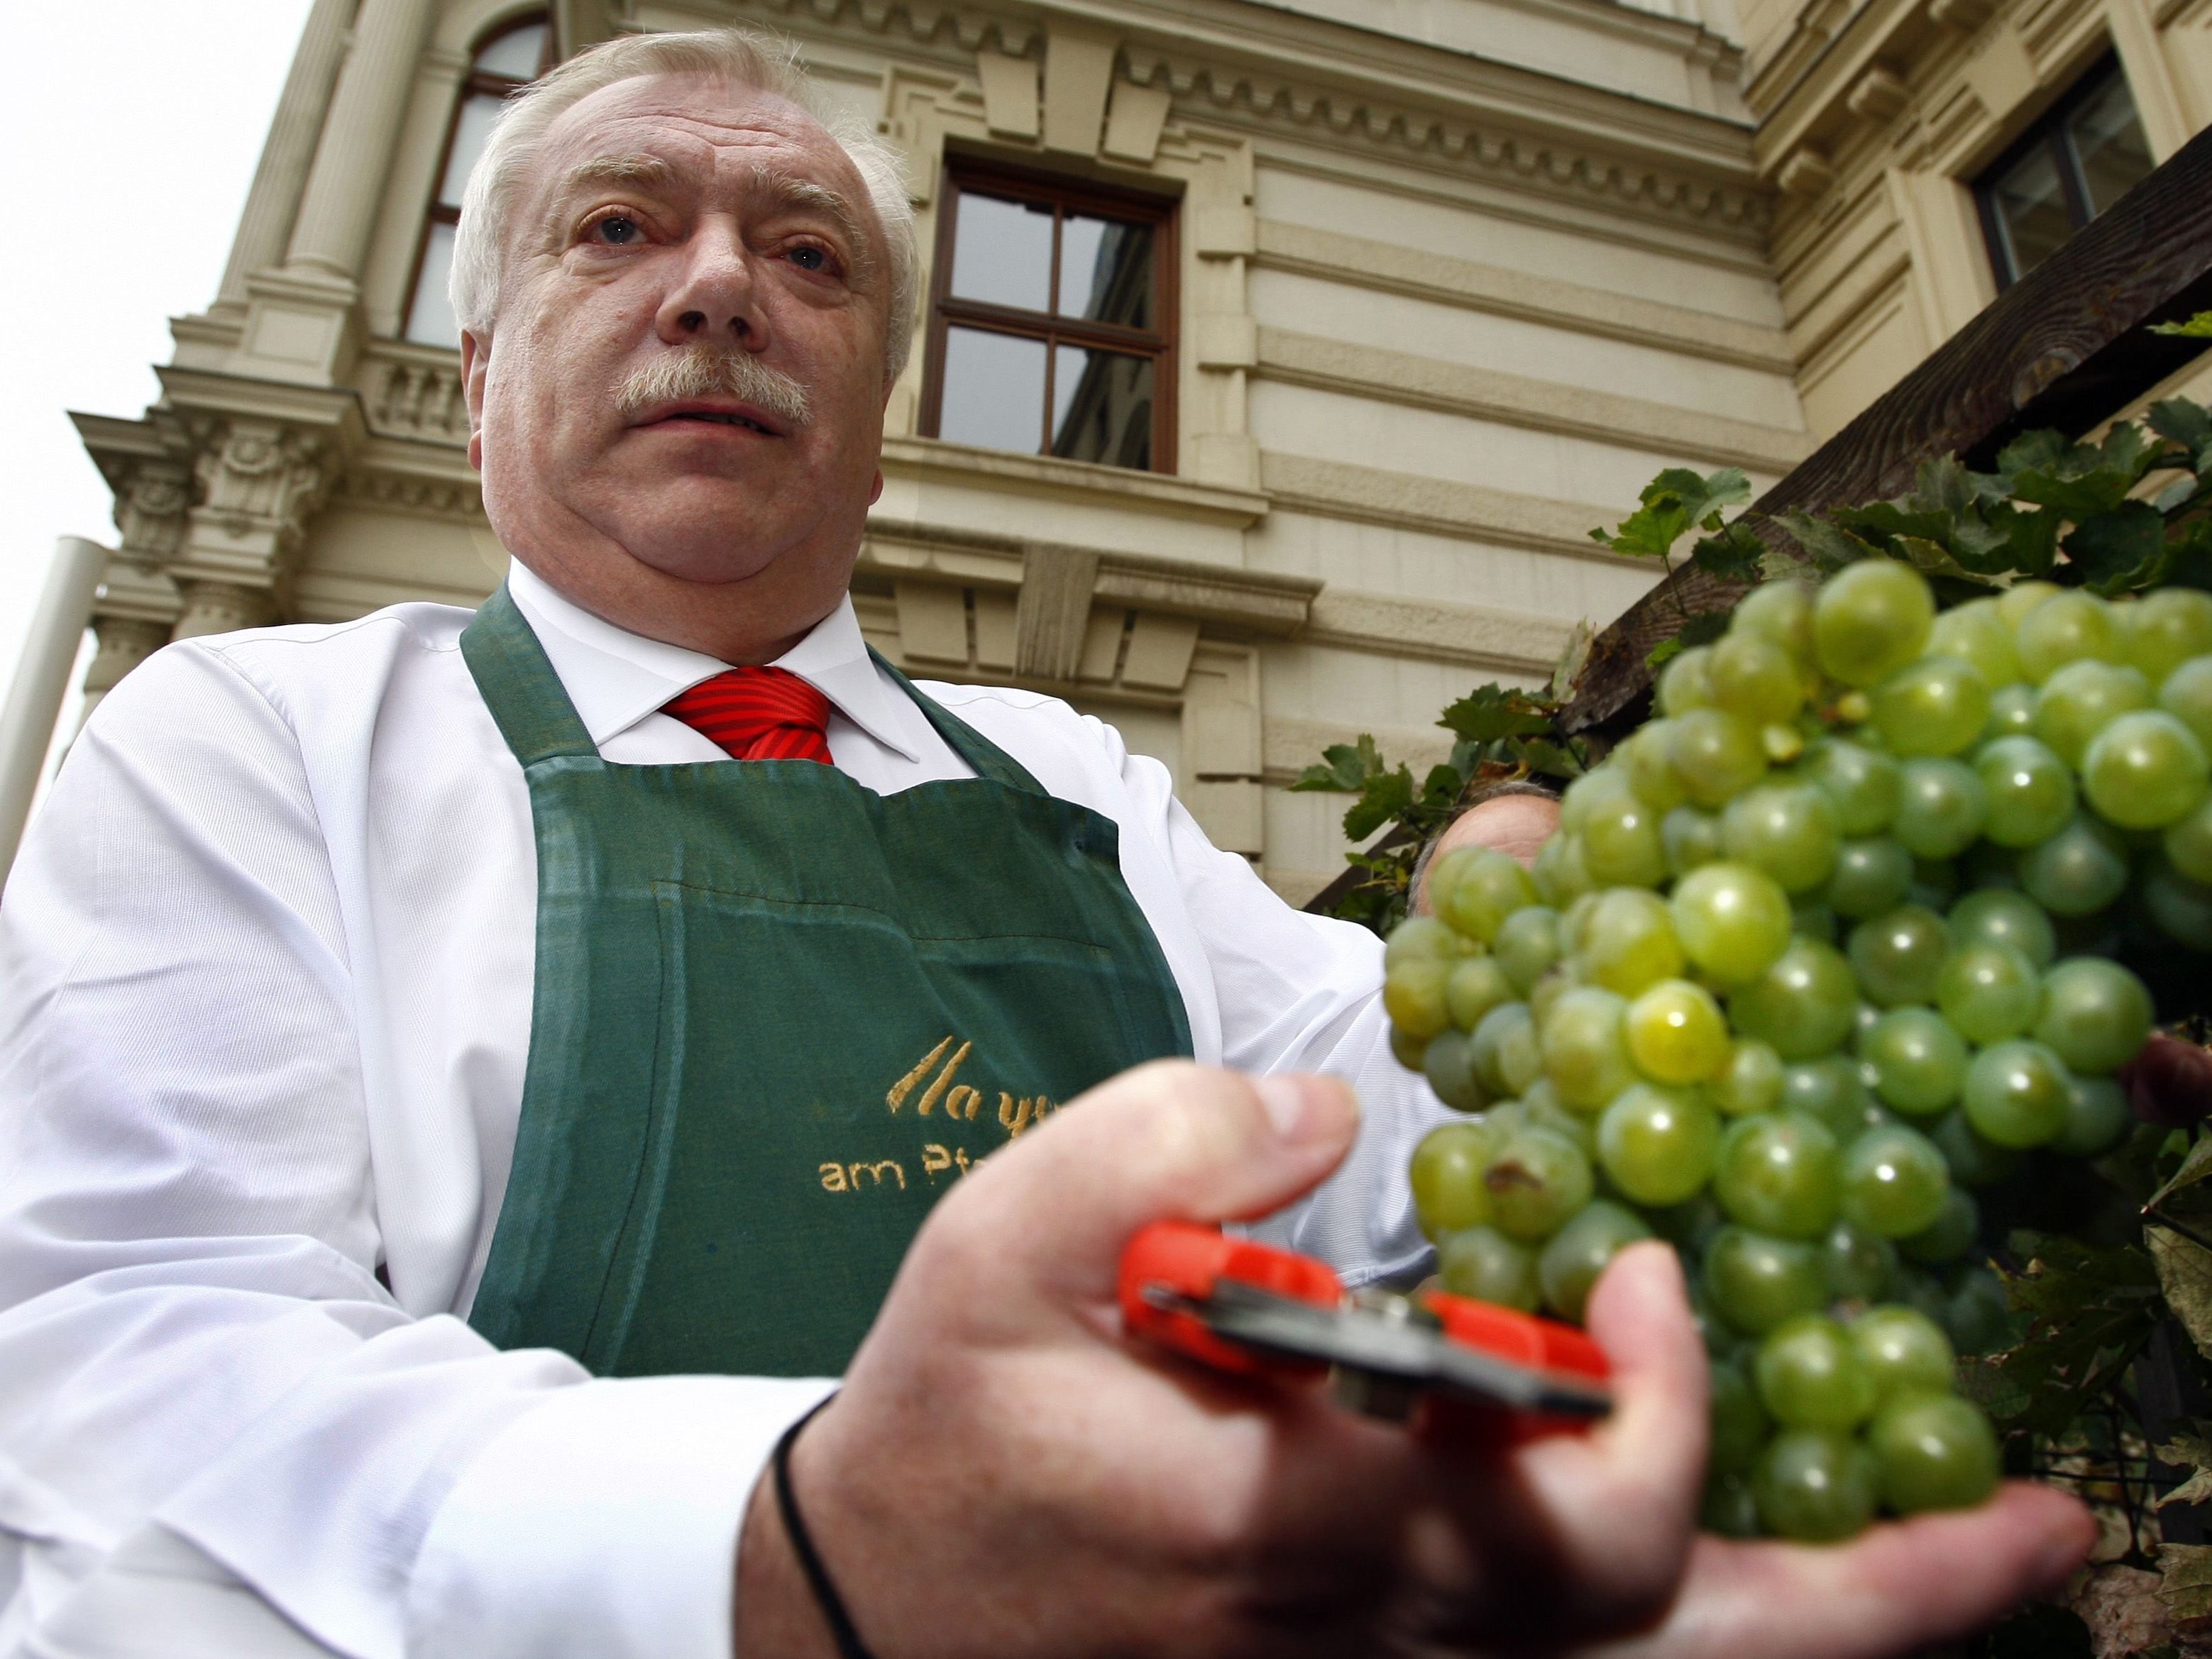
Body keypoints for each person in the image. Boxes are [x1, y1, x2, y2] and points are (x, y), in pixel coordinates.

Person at [0, 27, 2091, 1659]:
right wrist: (798, 1552)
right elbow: (124, 1365)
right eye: (620, 230)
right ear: (479, 380)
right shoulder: (253, 740)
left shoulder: (1079, 784)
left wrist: (1584, 972)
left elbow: (1386, 1137)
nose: (723, 285)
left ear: (883, 403)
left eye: (806, 254)